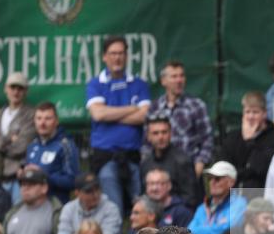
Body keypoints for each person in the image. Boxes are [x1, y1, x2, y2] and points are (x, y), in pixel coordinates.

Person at [85, 36, 151, 215]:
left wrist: (110, 114)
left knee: (142, 210)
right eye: (113, 53)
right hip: (106, 158)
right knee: (113, 210)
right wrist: (131, 108)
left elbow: (144, 115)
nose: (117, 58)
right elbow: (98, 114)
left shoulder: (139, 84)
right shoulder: (95, 83)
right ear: (104, 57)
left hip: (134, 157)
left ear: (127, 56)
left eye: (121, 53)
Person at [147, 61, 214, 180]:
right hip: (159, 171)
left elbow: (207, 140)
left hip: (188, 167)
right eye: (174, 76)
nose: (179, 80)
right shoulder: (155, 107)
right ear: (163, 81)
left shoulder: (196, 105)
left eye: (181, 76)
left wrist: (199, 164)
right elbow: (146, 142)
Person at [0, 72, 36, 202]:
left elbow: (22, 146)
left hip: (17, 178)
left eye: (20, 88)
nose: (16, 92)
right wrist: (9, 139)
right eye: (12, 87)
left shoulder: (31, 115)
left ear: (26, 91)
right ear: (6, 88)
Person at [222, 92, 274, 191]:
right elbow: (226, 167)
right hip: (233, 192)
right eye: (247, 112)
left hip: (260, 192)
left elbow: (261, 168)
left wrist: (250, 142)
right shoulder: (233, 137)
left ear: (264, 114)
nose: (250, 117)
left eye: (255, 112)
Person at [141, 113, 202, 208]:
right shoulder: (145, 163)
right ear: (149, 136)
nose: (160, 137)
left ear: (170, 134)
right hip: (151, 215)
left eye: (164, 132)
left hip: (177, 215)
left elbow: (191, 199)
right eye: (155, 133)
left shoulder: (183, 161)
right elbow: (144, 194)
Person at [23, 102, 79, 203]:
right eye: (39, 118)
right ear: (34, 121)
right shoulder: (32, 145)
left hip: (55, 206)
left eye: (47, 118)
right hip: (32, 205)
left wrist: (44, 176)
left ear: (56, 121)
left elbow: (73, 181)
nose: (42, 123)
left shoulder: (65, 145)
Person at [55, 173, 122, 234]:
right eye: (89, 191)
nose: (95, 194)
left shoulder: (111, 209)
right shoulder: (68, 209)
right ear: (77, 193)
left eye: (97, 189)